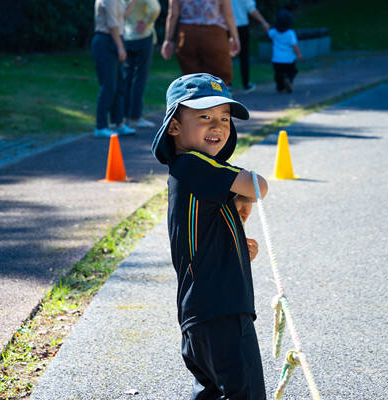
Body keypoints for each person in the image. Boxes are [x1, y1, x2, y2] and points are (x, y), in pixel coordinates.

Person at [151, 72, 269, 399]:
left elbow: (203, 233)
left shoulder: (195, 176)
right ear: (174, 125)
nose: (217, 125)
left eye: (224, 117)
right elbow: (258, 185)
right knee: (244, 392)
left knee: (211, 392)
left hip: (203, 313)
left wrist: (236, 249)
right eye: (204, 116)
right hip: (221, 312)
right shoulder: (192, 166)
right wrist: (246, 193)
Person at [161, 0, 240, 87]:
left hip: (188, 36)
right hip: (214, 35)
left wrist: (168, 39)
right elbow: (228, 14)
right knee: (219, 79)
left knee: (192, 79)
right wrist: (234, 37)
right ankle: (218, 98)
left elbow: (173, 15)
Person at [91, 0, 136, 137]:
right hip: (106, 41)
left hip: (114, 39)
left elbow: (122, 18)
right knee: (108, 86)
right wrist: (120, 47)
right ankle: (101, 126)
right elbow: (112, 24)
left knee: (119, 85)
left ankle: (118, 123)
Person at [123, 0, 161, 129]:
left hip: (127, 35)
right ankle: (135, 116)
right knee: (140, 78)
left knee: (127, 77)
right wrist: (146, 23)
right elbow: (155, 9)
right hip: (143, 35)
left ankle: (124, 116)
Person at [232, 0, 270, 93]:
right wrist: (264, 22)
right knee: (244, 57)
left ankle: (227, 84)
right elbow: (251, 9)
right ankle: (246, 84)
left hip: (227, 27)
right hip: (242, 27)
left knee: (227, 57)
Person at [268, 8, 302, 93]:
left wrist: (266, 26)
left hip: (277, 59)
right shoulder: (290, 33)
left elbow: (269, 33)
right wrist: (299, 54)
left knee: (278, 75)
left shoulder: (274, 32)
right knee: (292, 71)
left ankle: (280, 88)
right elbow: (294, 46)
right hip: (289, 59)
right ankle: (289, 80)